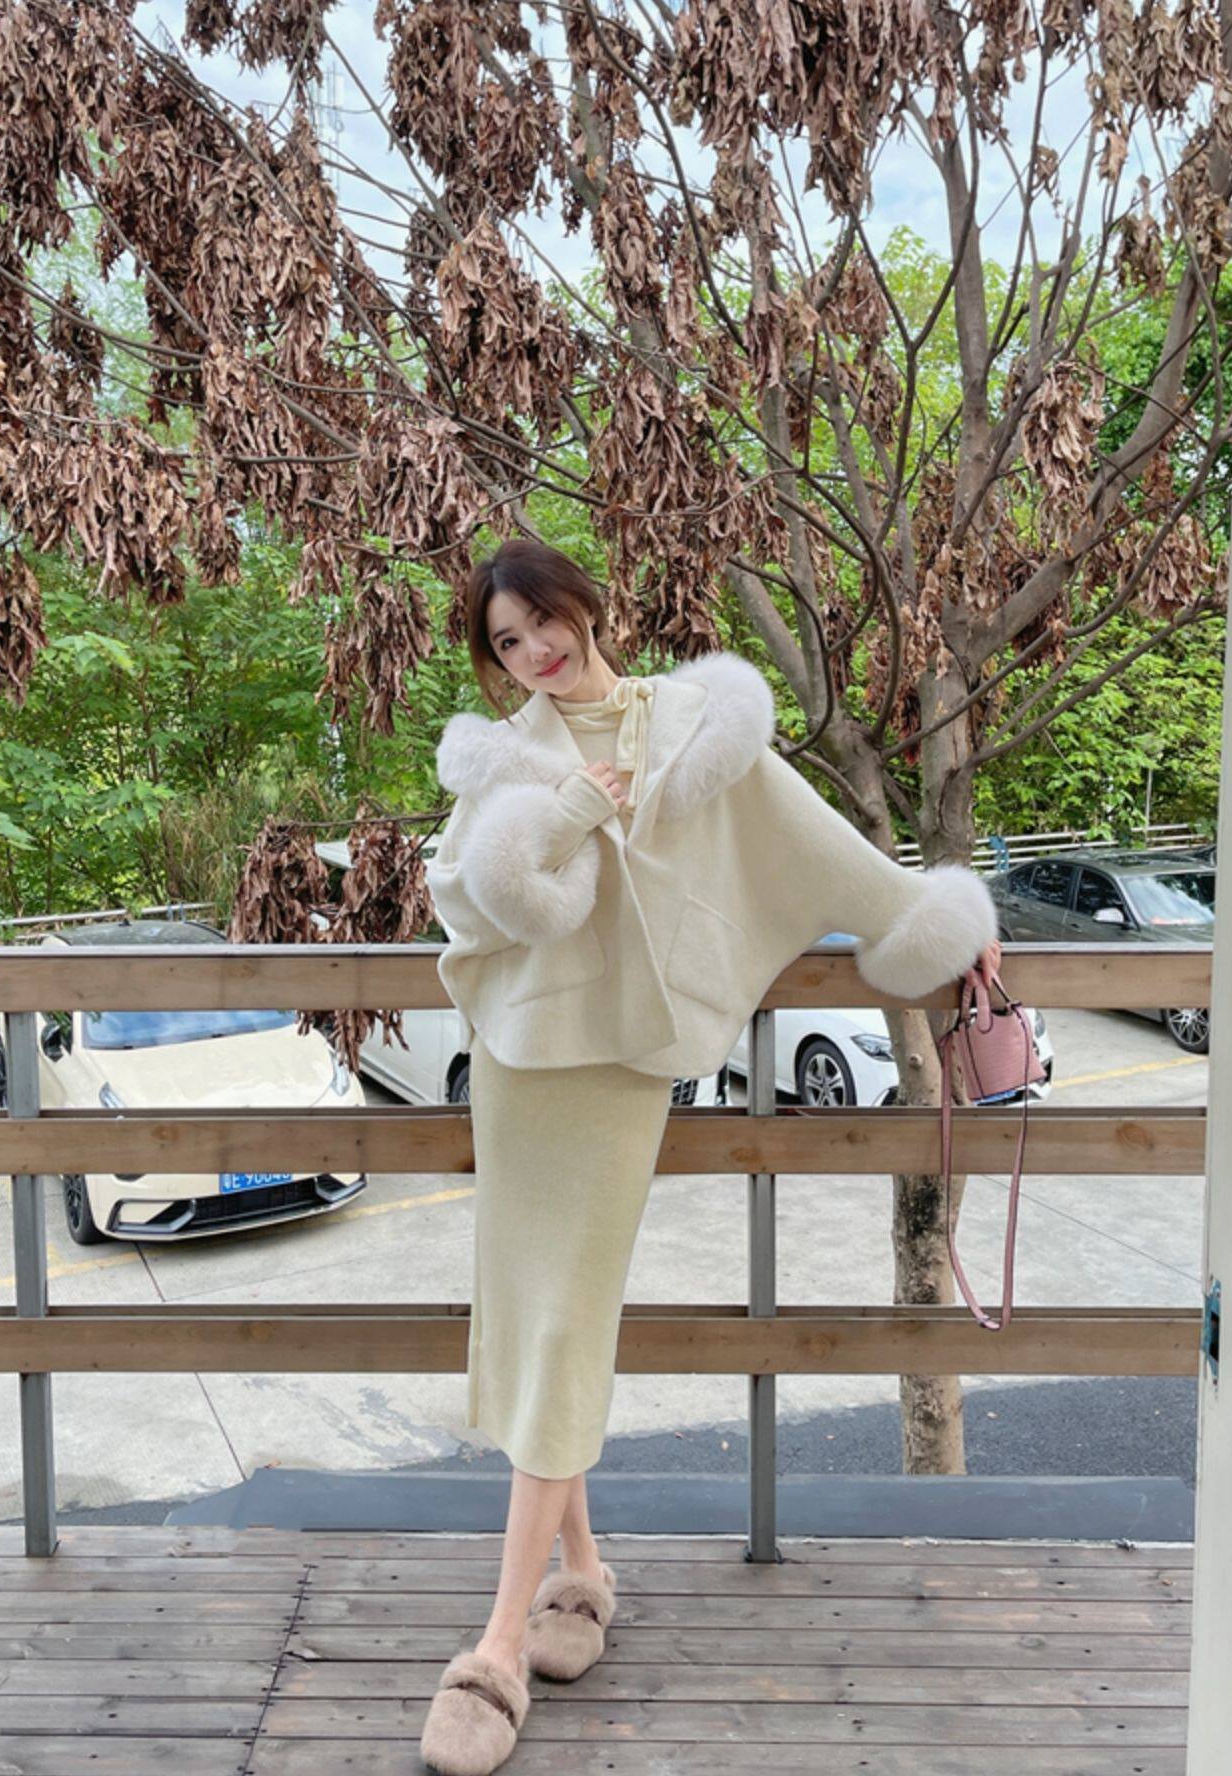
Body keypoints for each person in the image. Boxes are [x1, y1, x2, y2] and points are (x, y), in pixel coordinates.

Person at [417, 539, 1003, 1775]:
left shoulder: (695, 732)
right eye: (507, 643)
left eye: (542, 623)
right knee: (538, 1315)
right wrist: (561, 818)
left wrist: (935, 924)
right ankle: (577, 1578)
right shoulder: (504, 754)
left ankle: (499, 1646)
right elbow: (461, 895)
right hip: (519, 1065)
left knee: (565, 1322)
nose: (533, 653)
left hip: (618, 1068)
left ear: (584, 606)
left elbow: (815, 846)